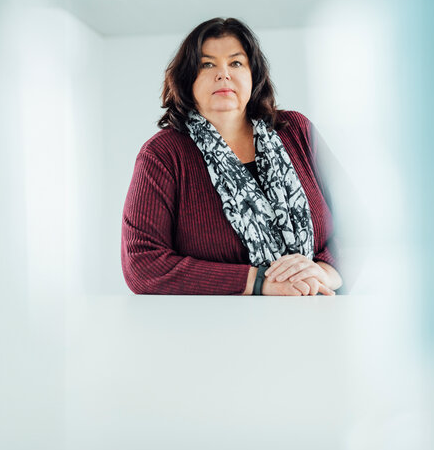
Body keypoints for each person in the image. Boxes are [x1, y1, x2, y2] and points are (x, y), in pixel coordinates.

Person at [121, 17, 342, 296]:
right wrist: (259, 281)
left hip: (320, 317)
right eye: (207, 64)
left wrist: (325, 271)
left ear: (254, 74)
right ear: (188, 78)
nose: (223, 74)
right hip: (214, 331)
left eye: (236, 63)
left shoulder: (297, 131)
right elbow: (141, 264)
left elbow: (359, 225)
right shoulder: (163, 154)